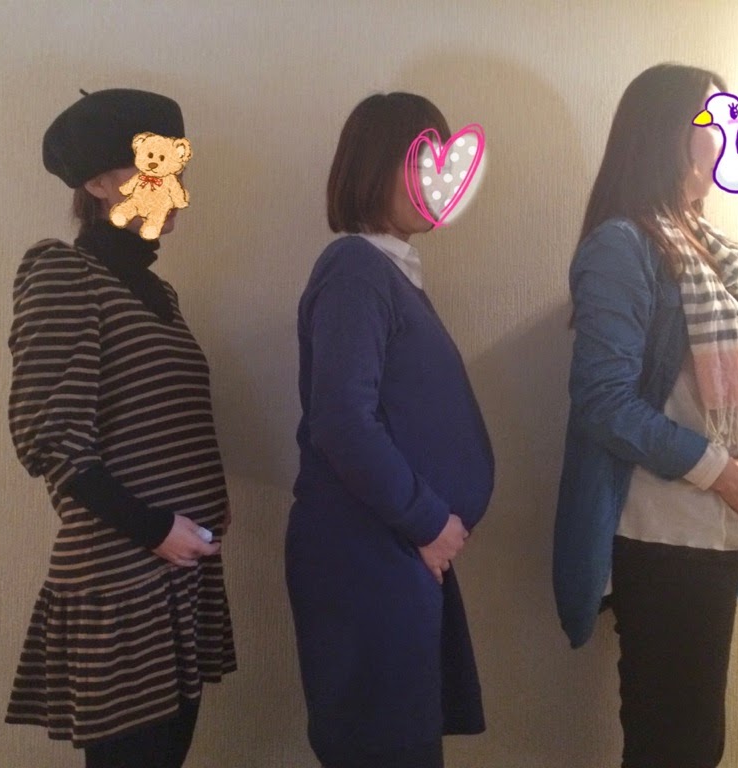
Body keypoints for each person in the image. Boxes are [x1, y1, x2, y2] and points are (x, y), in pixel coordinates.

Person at [552, 63, 738, 768]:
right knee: (677, 746)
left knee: (688, 742)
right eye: (714, 119)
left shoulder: (701, 245)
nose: (732, 136)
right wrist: (724, 472)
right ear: (667, 134)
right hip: (666, 538)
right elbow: (603, 402)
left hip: (705, 536)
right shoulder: (623, 245)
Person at [5, 88, 235, 768]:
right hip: (123, 580)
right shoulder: (63, 272)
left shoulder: (160, 294)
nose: (177, 190)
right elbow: (49, 438)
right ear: (98, 182)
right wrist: (154, 528)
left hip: (176, 578)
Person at [286, 92, 495, 768]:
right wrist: (429, 520)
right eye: (420, 163)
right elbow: (342, 419)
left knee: (403, 741)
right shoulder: (356, 269)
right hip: (368, 554)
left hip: (392, 547)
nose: (437, 184)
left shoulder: (389, 274)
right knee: (385, 748)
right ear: (374, 167)